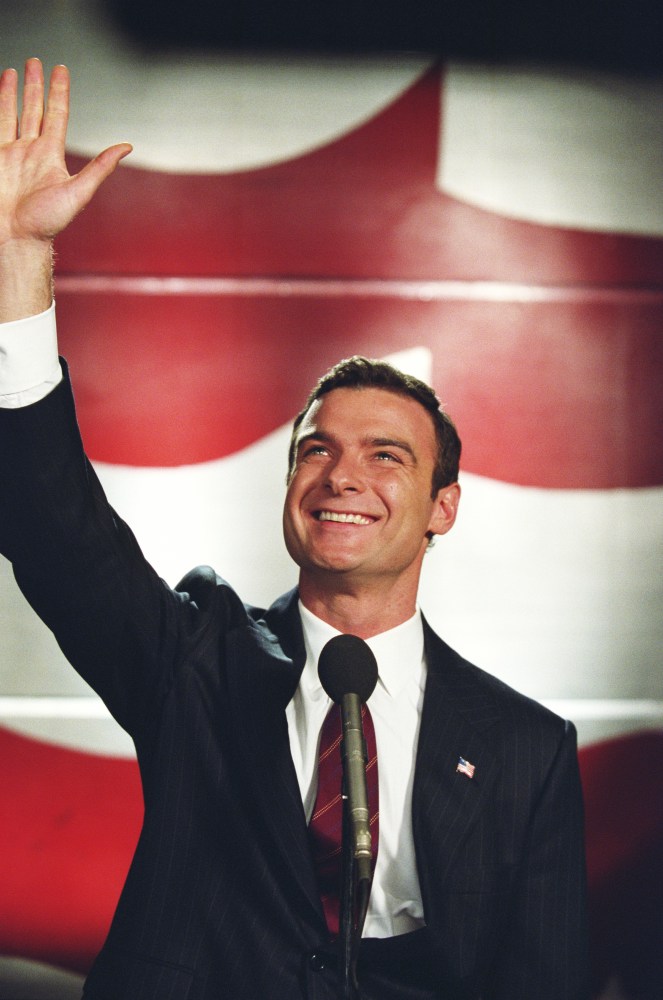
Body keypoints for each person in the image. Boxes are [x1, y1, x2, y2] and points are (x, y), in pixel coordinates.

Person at [0, 59, 589, 999]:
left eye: (386, 456)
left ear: (442, 506)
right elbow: (51, 526)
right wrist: (18, 263)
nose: (341, 476)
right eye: (316, 450)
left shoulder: (526, 747)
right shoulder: (195, 659)